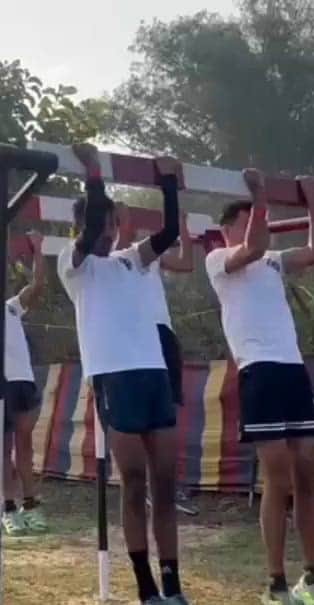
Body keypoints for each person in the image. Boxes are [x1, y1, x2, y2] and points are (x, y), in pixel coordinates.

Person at [58, 143, 206, 605]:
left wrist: (167, 183)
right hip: (114, 378)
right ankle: (145, 594)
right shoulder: (74, 266)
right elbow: (91, 220)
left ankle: (173, 588)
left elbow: (165, 234)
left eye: (114, 223)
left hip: (151, 374)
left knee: (165, 484)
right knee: (135, 482)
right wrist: (95, 174)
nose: (110, 230)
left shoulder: (131, 262)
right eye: (102, 223)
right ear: (86, 226)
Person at [204, 169, 314, 605]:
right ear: (229, 228)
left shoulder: (274, 262)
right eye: (250, 220)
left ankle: (312, 580)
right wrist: (260, 196)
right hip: (258, 369)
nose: (259, 227)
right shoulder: (220, 259)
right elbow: (255, 245)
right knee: (277, 474)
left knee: (306, 471)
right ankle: (275, 584)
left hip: (291, 367)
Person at [113, 203, 199, 517]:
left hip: (164, 332)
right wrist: (123, 219)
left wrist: (184, 227)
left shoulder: (151, 255)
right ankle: (149, 486)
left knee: (168, 409)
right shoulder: (118, 257)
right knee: (140, 418)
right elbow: (121, 242)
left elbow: (187, 263)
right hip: (140, 335)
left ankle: (164, 485)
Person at [0, 230, 50, 537]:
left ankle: (30, 504)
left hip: (23, 381)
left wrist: (38, 249)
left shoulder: (12, 306)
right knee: (2, 448)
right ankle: (7, 508)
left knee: (24, 446)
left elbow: (38, 284)